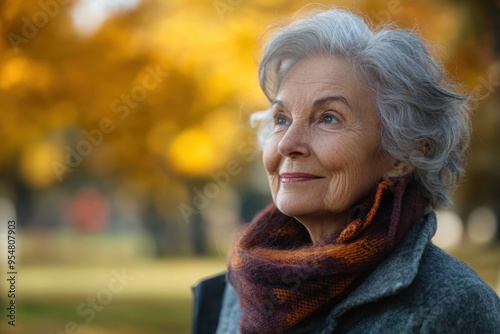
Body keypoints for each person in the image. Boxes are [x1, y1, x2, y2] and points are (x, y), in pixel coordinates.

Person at [192, 7, 500, 334]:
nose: (287, 144)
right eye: (281, 119)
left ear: (403, 154)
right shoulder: (241, 286)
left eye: (328, 118)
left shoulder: (451, 304)